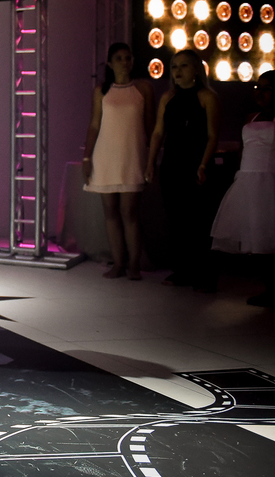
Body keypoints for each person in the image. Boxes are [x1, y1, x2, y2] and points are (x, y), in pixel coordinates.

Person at [145, 49, 221, 292]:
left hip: (196, 165)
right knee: (176, 219)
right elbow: (158, 132)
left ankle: (204, 272)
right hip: (172, 165)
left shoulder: (207, 97)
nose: (178, 71)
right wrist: (150, 162)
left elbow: (212, 135)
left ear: (196, 69)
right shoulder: (168, 98)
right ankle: (182, 270)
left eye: (184, 65)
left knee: (199, 219)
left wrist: (203, 164)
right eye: (174, 66)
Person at [82, 43, 154, 279]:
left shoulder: (143, 88)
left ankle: (134, 264)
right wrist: (87, 156)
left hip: (132, 155)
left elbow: (150, 125)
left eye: (128, 57)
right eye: (119, 58)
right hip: (105, 155)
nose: (125, 62)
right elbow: (94, 124)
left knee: (130, 211)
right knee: (110, 212)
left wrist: (152, 157)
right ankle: (119, 263)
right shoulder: (102, 91)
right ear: (110, 64)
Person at [210, 71, 275, 307]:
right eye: (258, 88)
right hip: (248, 180)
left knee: (268, 233)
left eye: (266, 89)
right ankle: (269, 288)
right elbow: (243, 150)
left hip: (269, 180)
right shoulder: (251, 117)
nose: (260, 93)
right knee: (255, 235)